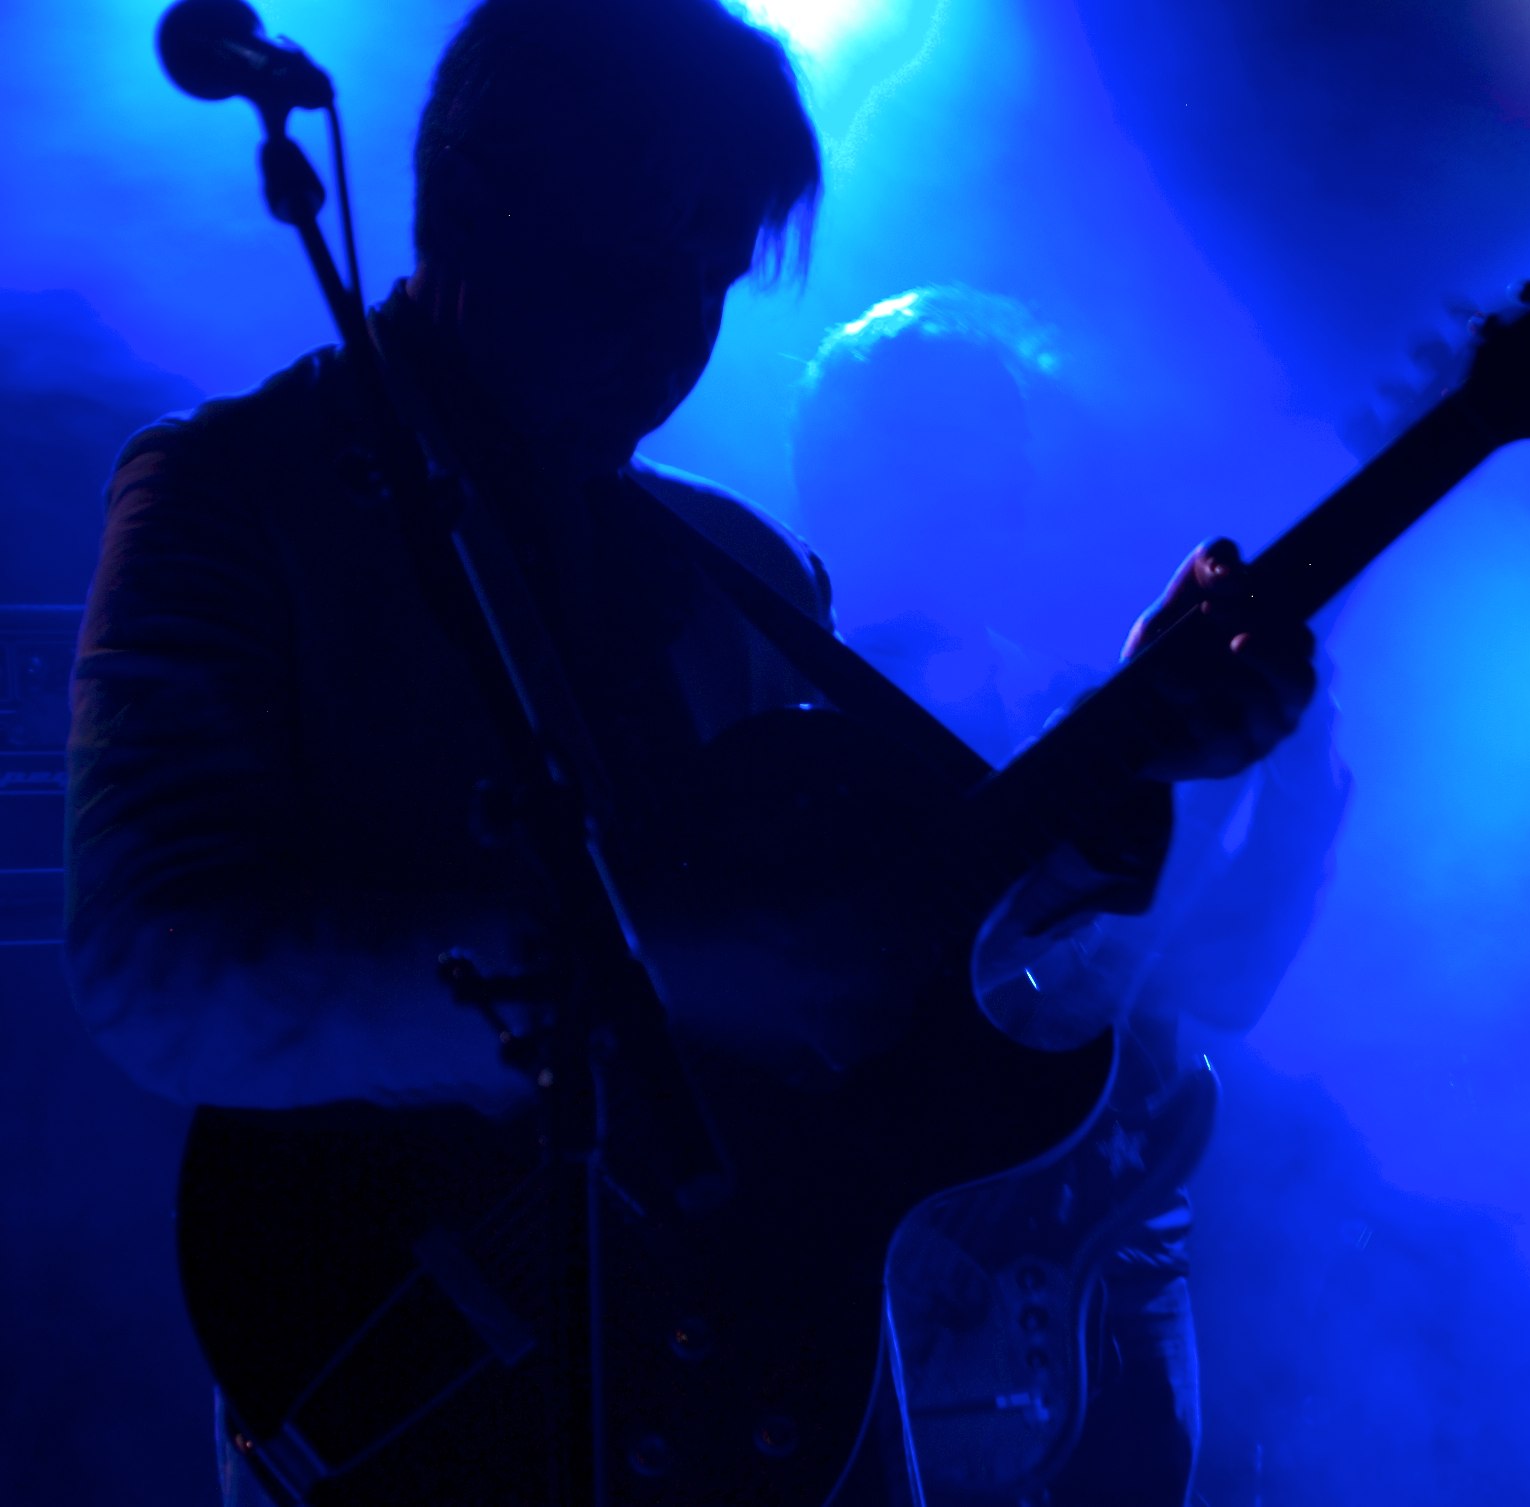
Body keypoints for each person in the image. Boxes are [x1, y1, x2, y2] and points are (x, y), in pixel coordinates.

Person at [63, 3, 1317, 1503]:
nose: (668, 335)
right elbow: (158, 969)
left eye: (710, 280)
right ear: (475, 194)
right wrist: (657, 970)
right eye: (627, 263)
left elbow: (885, 918)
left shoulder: (743, 566)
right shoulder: (228, 495)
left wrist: (1137, 738)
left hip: (773, 1360)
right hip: (413, 1360)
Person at [790, 286, 1351, 1506]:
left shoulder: (1081, 712)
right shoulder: (786, 721)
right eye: (948, 446)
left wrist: (1303, 786)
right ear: (837, 469)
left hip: (1113, 1255)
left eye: (1007, 453)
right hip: (894, 1264)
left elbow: (1228, 987)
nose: (995, 487)